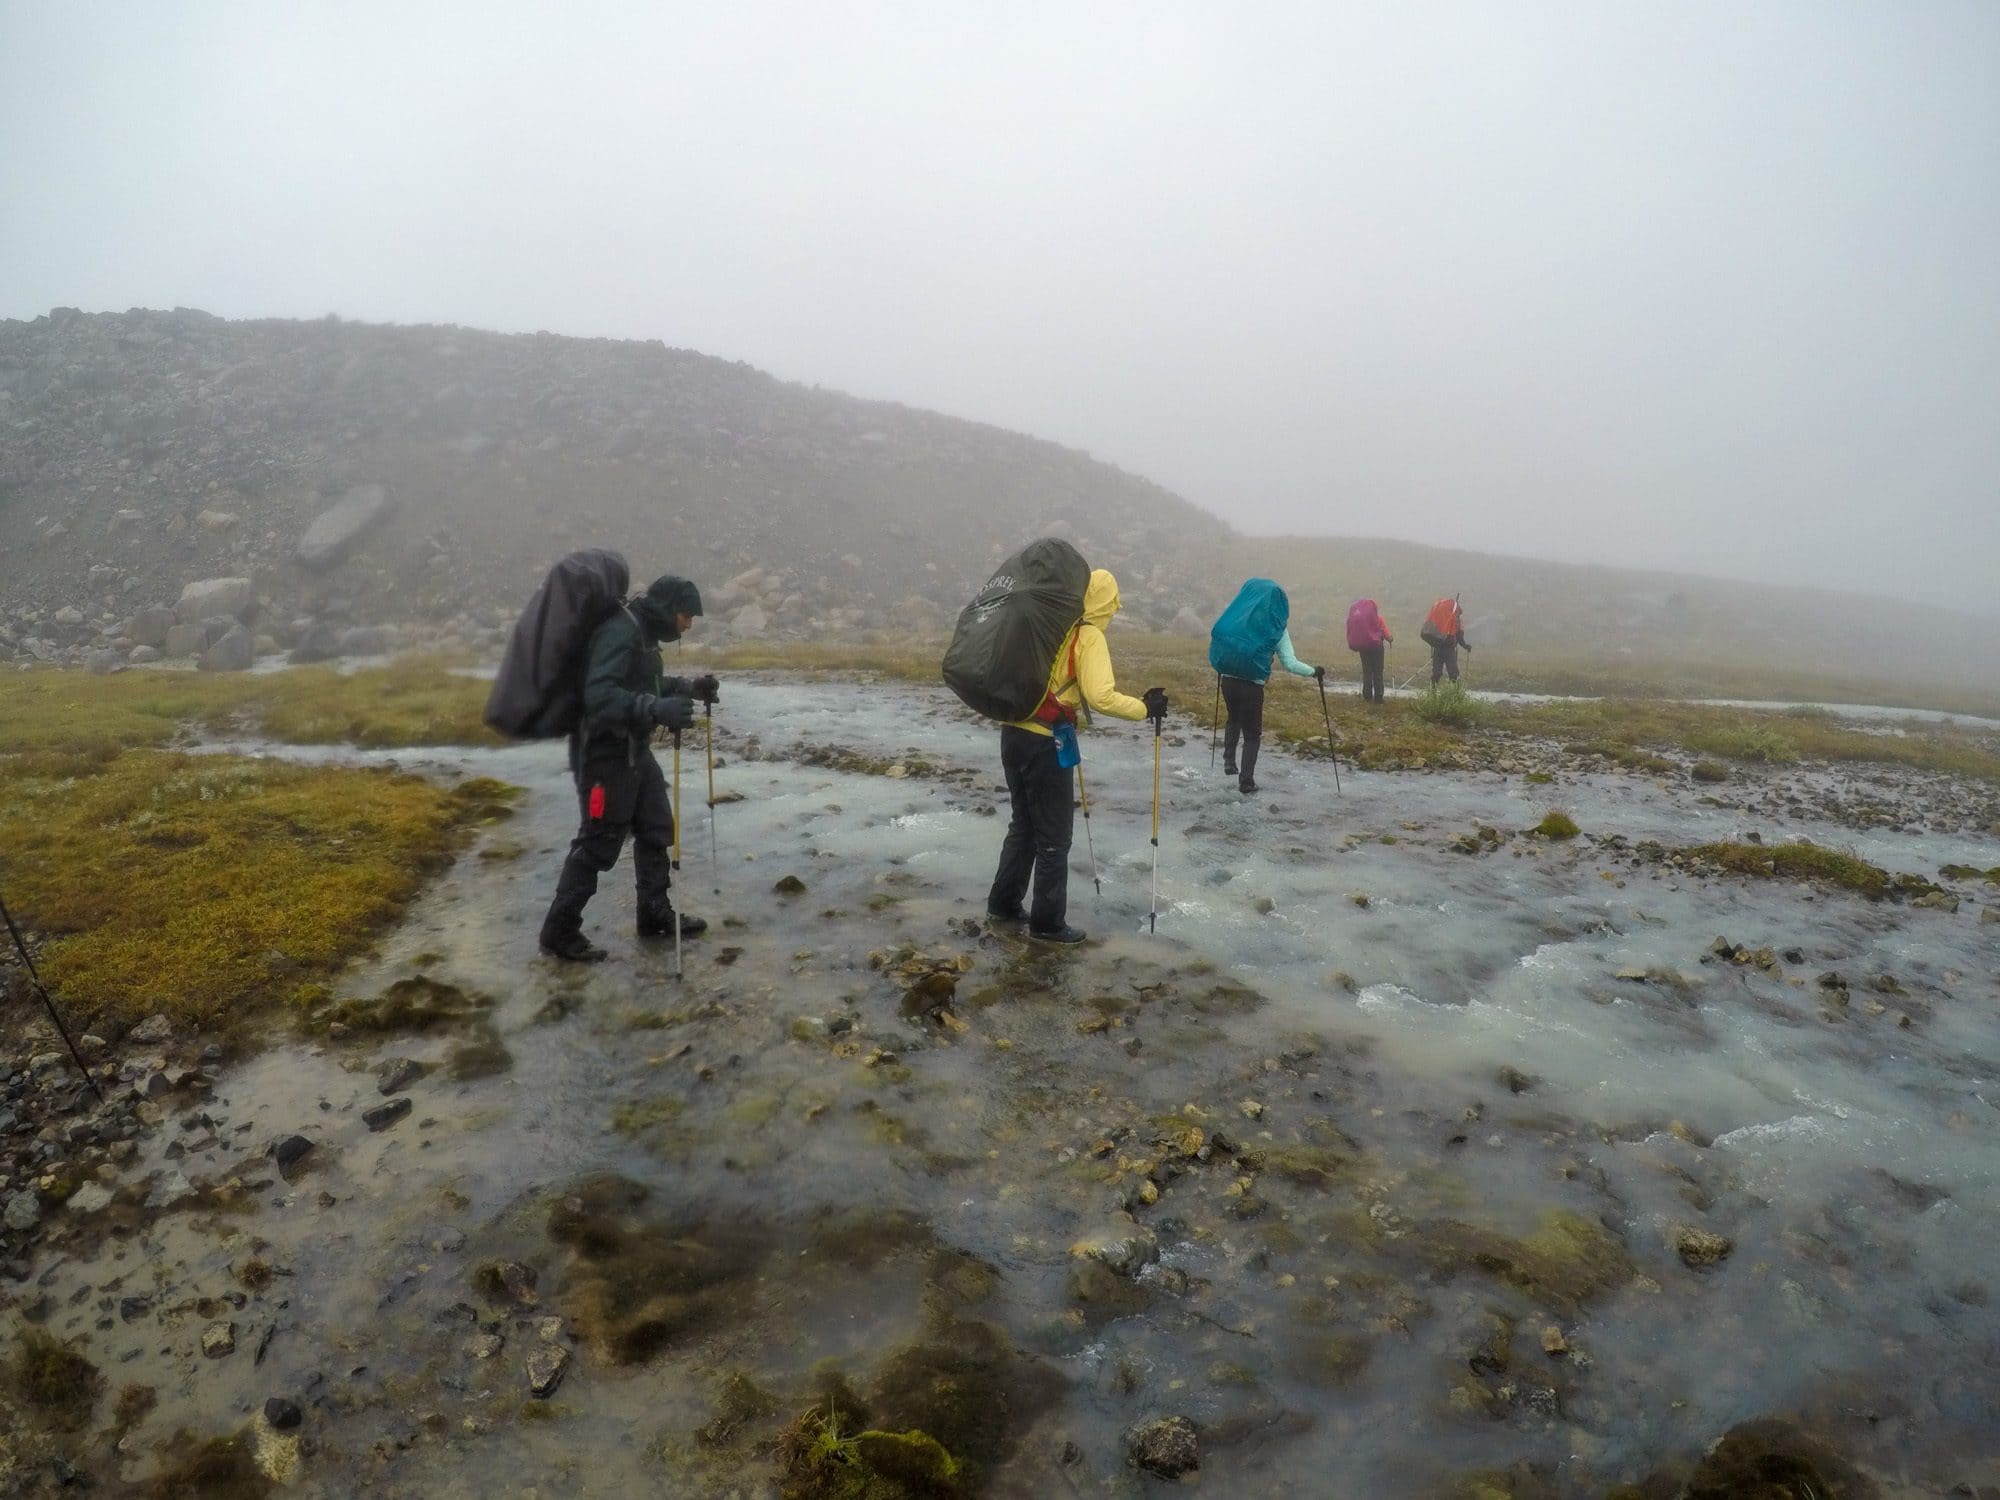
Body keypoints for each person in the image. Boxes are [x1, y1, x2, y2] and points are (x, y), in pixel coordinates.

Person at [538, 574, 717, 962]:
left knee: (655, 825)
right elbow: (599, 695)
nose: (688, 624)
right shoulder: (620, 631)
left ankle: (653, 914)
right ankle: (559, 929)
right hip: (604, 753)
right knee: (599, 842)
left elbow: (645, 682)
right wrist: (654, 709)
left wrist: (688, 688)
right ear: (669, 608)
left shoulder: (643, 633)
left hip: (634, 749)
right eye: (687, 615)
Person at [987, 569, 1164, 945]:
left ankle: (1003, 906)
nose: (1114, 613)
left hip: (1013, 733)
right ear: (1106, 604)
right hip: (1045, 743)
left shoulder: (1050, 627)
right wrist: (1145, 710)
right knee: (1054, 837)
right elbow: (1101, 697)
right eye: (1113, 605)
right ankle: (1047, 925)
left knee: (1023, 826)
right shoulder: (1088, 635)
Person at [1219, 613, 1319, 796]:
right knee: (1252, 735)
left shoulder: (1243, 617)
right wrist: (1313, 672)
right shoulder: (1278, 629)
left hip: (1228, 680)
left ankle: (1229, 759)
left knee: (1233, 718)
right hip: (1252, 686)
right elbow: (1290, 663)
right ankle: (1246, 782)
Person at [1346, 597, 1392, 704]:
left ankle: (1367, 696)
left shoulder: (1362, 621)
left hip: (1364, 647)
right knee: (1378, 672)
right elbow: (1387, 635)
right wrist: (1391, 638)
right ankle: (1378, 698)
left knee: (1367, 671)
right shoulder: (1378, 618)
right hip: (1377, 647)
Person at [1423, 595, 1472, 685]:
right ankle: (1455, 694)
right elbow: (1460, 637)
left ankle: (1433, 693)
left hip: (1438, 648)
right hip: (1449, 650)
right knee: (1453, 674)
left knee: (1436, 673)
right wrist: (1465, 646)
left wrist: (1465, 645)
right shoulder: (1456, 621)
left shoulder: (1441, 619)